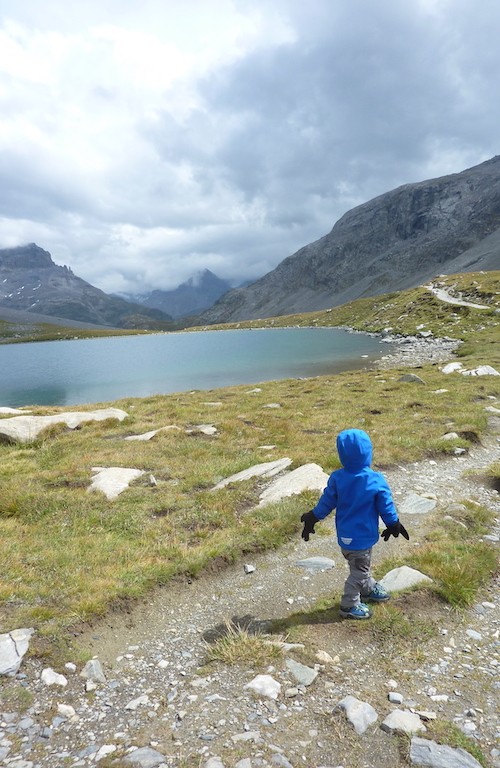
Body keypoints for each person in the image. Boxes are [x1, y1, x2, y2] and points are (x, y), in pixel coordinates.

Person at [300, 428, 409, 620]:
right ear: (368, 452)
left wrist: (313, 517)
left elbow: (327, 502)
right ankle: (349, 605)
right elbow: (386, 505)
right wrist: (393, 523)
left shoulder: (337, 478)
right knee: (358, 572)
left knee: (360, 567)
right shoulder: (375, 479)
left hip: (345, 538)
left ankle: (367, 588)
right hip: (362, 539)